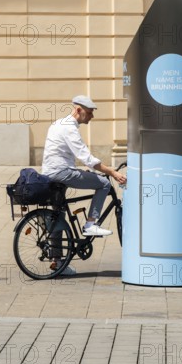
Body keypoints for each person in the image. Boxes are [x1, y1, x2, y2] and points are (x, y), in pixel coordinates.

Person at [42, 95, 127, 275]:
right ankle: (90, 224)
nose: (92, 117)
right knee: (103, 184)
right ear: (78, 110)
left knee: (58, 214)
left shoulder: (58, 123)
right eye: (89, 113)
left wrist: (83, 171)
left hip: (51, 173)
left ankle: (57, 263)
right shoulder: (70, 129)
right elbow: (86, 158)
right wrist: (111, 172)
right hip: (62, 172)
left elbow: (64, 153)